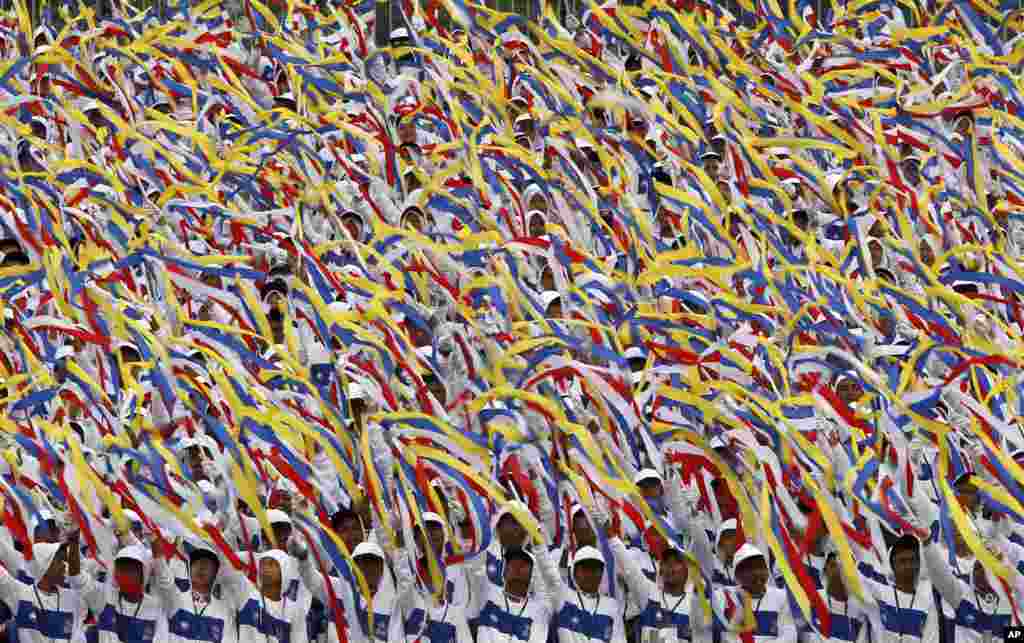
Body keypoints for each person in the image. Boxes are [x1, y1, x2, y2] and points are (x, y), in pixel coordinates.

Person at [0, 531, 89, 643]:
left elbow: (77, 578)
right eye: (59, 561)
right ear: (45, 567)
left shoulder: (72, 598)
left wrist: (74, 541)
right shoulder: (21, 594)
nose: (64, 565)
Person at [713, 544, 798, 642]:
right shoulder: (724, 595)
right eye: (750, 569)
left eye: (761, 567)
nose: (757, 572)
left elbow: (790, 637)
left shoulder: (781, 597)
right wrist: (744, 603)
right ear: (737, 575)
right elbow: (726, 637)